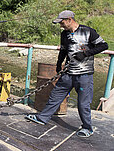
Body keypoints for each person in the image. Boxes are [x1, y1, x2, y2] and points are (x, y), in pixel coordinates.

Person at [26, 10, 108, 138]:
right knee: (56, 95)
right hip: (68, 73)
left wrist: (85, 54)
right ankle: (43, 118)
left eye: (62, 22)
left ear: (70, 20)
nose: (61, 25)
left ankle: (87, 127)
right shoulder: (64, 34)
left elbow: (104, 45)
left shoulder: (88, 31)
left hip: (84, 74)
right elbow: (63, 50)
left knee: (83, 103)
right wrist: (59, 65)